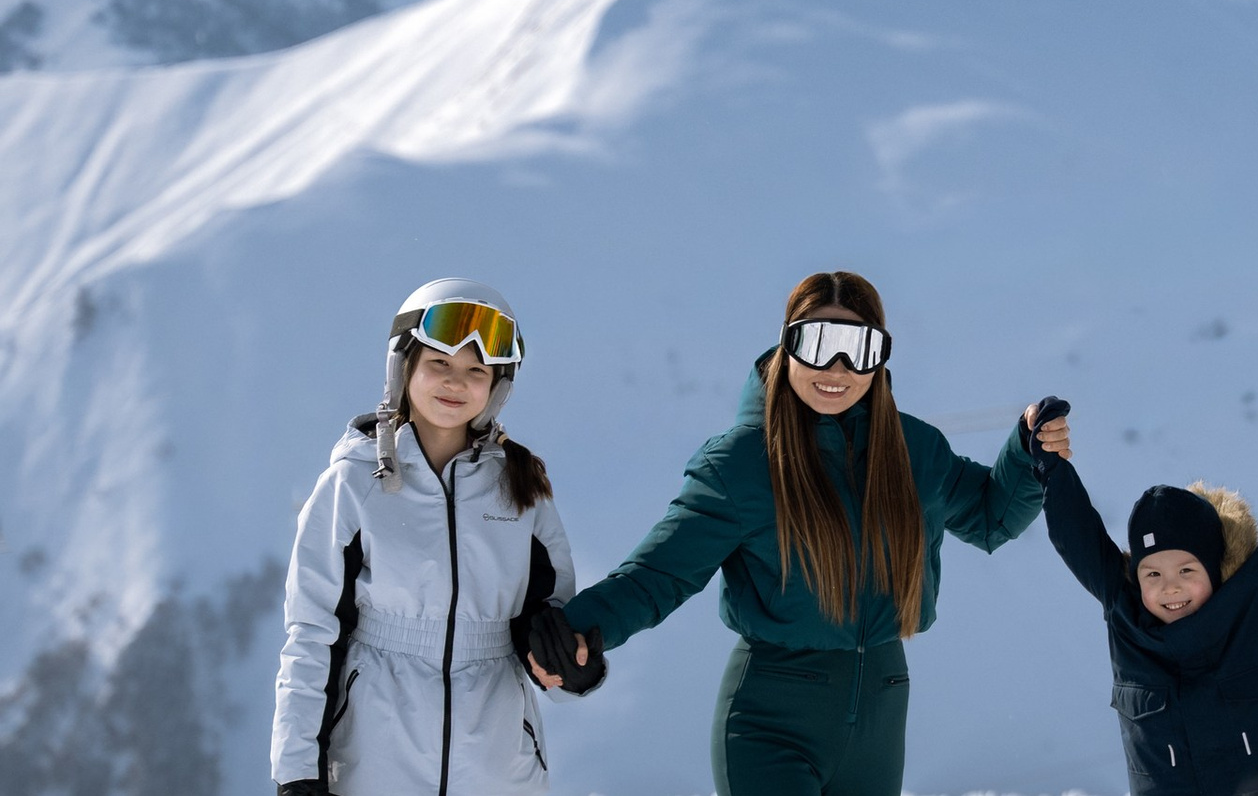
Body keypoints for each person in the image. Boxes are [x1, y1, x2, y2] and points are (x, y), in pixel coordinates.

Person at [523, 270, 1068, 796]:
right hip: (770, 719)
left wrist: (1027, 454)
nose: (836, 367)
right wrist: (575, 634)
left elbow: (992, 518)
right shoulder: (742, 463)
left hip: (881, 712)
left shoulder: (914, 450)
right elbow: (659, 575)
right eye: (818, 342)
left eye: (858, 348)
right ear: (787, 346)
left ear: (879, 358)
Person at [272, 279, 593, 796]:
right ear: (405, 366)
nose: (455, 383)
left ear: (497, 386)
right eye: (439, 363)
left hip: (498, 760)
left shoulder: (522, 485)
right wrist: (297, 771)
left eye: (476, 371)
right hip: (373, 753)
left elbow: (552, 625)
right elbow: (311, 633)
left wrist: (573, 673)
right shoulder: (353, 482)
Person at [1037, 398, 1258, 795]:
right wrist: (1048, 461)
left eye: (1187, 570)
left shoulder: (1251, 595)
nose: (1169, 587)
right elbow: (1077, 534)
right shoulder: (1124, 610)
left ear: (1215, 567)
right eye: (1153, 573)